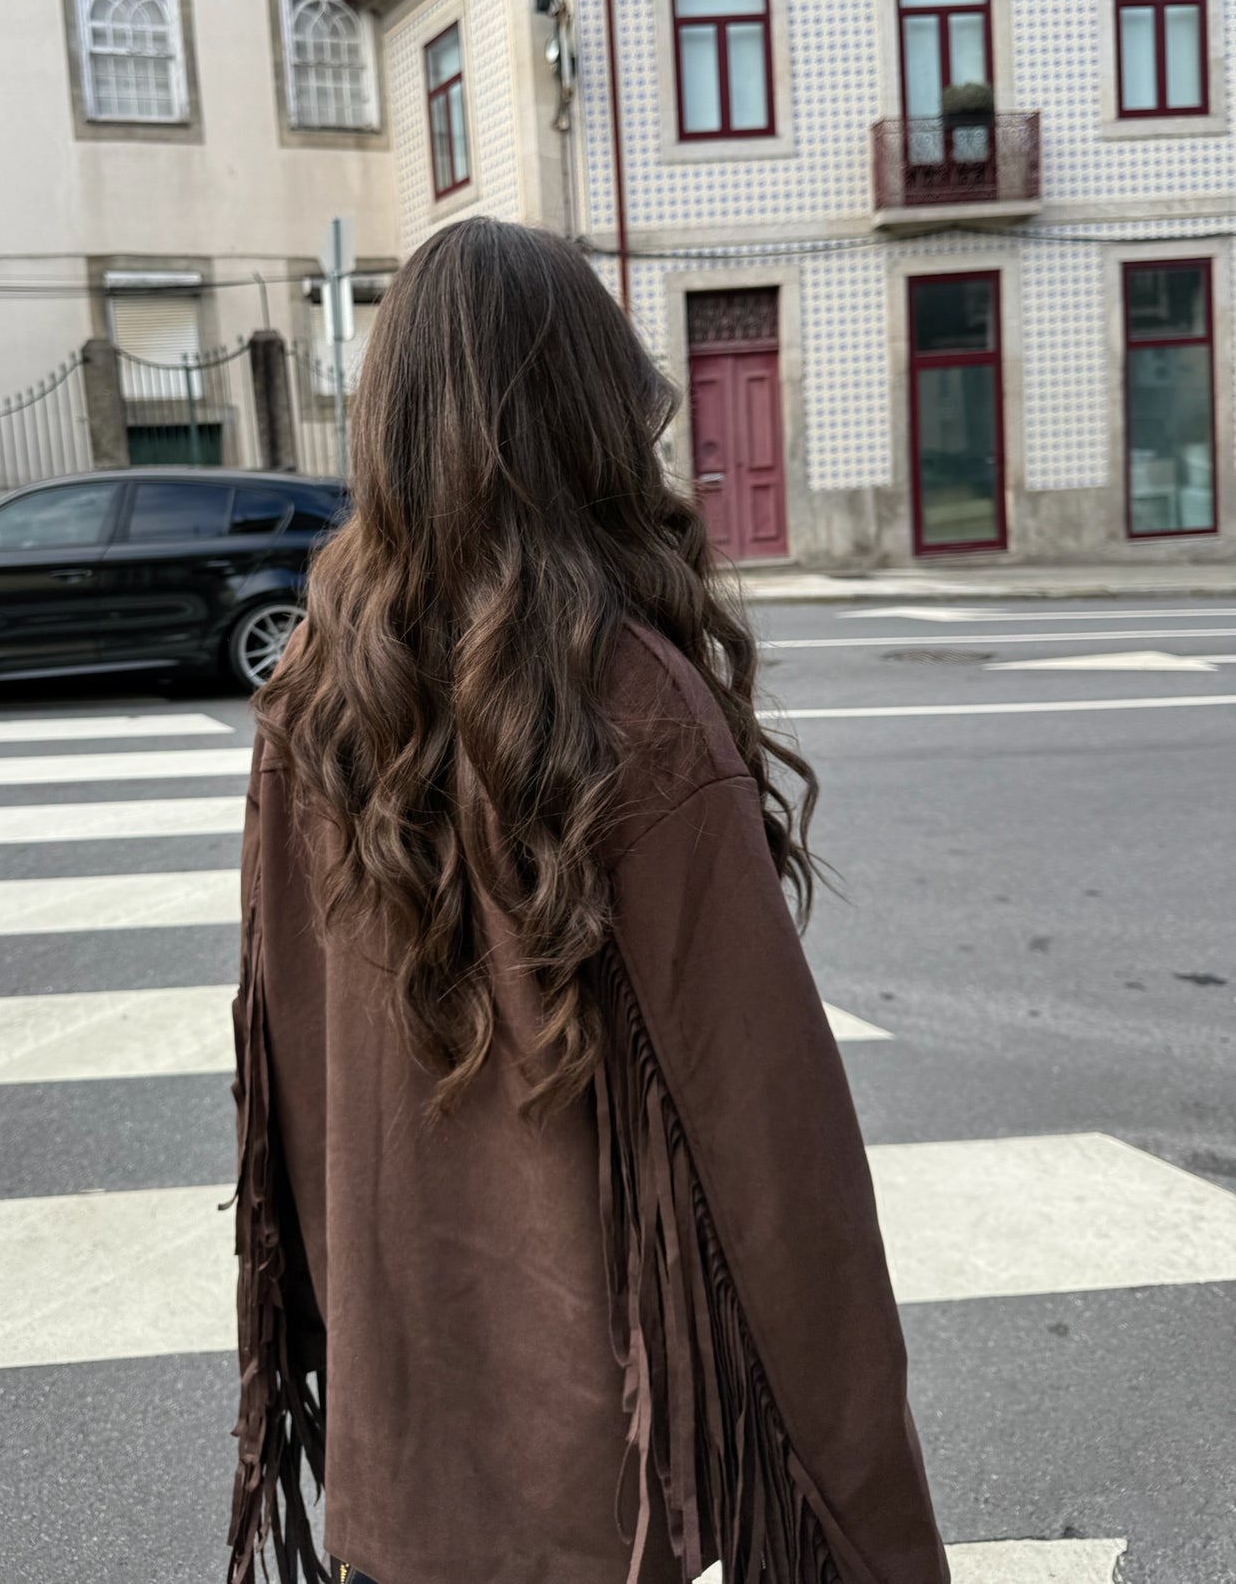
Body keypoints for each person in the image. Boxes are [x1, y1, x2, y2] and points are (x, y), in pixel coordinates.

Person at [226, 217, 949, 1584]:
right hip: (591, 1496)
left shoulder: (315, 690)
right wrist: (874, 1534)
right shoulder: (625, 698)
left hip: (397, 1464)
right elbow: (771, 1155)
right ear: (586, 420)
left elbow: (290, 1086)